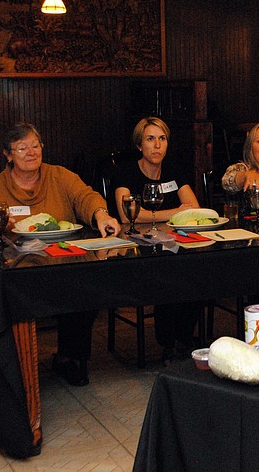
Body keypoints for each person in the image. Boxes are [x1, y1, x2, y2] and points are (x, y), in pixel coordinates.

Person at [0, 122, 121, 386]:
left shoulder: (59, 176)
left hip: (63, 262)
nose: (31, 152)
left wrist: (101, 214)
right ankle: (14, 364)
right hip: (17, 269)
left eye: (35, 145)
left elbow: (85, 197)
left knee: (87, 286)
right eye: (22, 148)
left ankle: (69, 357)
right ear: (7, 154)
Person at [111, 116, 200, 363]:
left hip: (174, 244)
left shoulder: (173, 169)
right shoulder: (126, 170)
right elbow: (128, 214)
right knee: (168, 273)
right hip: (137, 249)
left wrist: (157, 215)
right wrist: (174, 212)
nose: (157, 145)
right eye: (150, 139)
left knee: (200, 267)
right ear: (140, 145)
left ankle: (183, 338)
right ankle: (169, 343)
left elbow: (194, 206)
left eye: (162, 139)